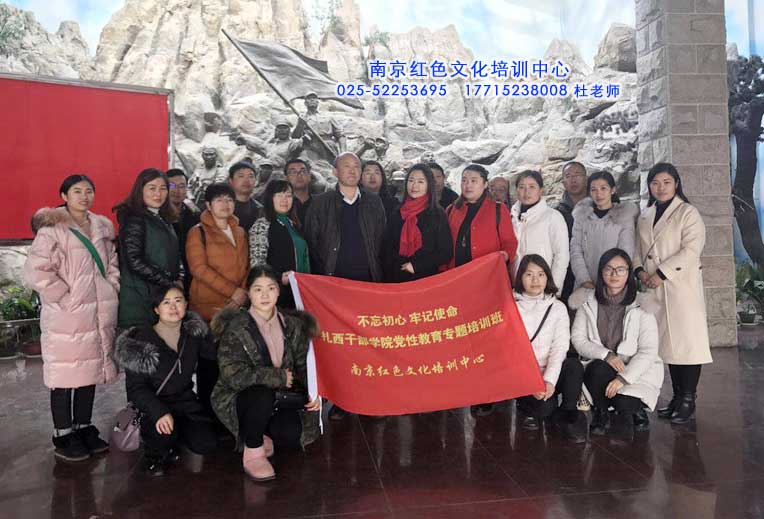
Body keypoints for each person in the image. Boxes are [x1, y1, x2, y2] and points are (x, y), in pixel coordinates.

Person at [23, 175, 119, 462]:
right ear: (64, 196)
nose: (84, 196)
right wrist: (65, 298)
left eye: (89, 191)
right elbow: (37, 271)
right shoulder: (52, 229)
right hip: (66, 317)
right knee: (64, 376)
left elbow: (112, 263)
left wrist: (111, 287)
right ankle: (63, 433)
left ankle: (83, 426)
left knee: (89, 372)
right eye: (77, 191)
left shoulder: (101, 227)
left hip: (96, 313)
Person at [211, 266, 321, 481]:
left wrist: (314, 393)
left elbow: (303, 366)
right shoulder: (236, 327)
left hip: (280, 397)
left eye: (270, 288)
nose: (264, 295)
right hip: (241, 396)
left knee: (290, 435)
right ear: (249, 293)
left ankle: (260, 430)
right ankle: (253, 451)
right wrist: (277, 377)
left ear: (278, 291)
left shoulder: (292, 325)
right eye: (258, 289)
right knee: (261, 394)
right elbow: (233, 376)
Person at [303, 152, 386, 420]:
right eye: (346, 166)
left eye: (356, 166)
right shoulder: (321, 203)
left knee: (369, 344)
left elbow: (381, 239)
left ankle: (370, 398)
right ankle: (343, 400)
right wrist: (323, 282)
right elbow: (312, 242)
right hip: (334, 288)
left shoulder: (373, 202)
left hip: (368, 284)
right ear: (334, 171)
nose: (352, 171)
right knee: (341, 345)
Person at [635, 163, 711, 424]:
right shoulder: (646, 215)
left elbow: (691, 250)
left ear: (676, 184)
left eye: (667, 182)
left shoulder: (688, 213)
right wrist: (639, 271)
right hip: (653, 289)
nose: (661, 188)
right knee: (668, 346)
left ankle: (688, 399)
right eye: (655, 183)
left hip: (681, 288)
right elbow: (638, 249)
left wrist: (662, 273)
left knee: (686, 345)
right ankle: (677, 397)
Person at [115, 287, 217, 476]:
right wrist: (159, 412)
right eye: (166, 302)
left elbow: (213, 357)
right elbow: (136, 389)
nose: (173, 307)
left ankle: (175, 436)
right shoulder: (140, 341)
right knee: (161, 437)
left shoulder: (193, 334)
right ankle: (155, 448)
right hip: (153, 405)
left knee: (207, 444)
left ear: (186, 304)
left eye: (178, 301)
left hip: (185, 402)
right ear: (156, 309)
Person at [444, 164, 517, 416]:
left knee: (486, 339)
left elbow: (509, 242)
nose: (468, 184)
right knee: (461, 338)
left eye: (474, 180)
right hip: (458, 286)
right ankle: (463, 385)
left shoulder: (498, 209)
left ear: (485, 184)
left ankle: (486, 392)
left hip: (487, 286)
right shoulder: (452, 210)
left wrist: (503, 256)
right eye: (464, 180)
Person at [571, 248, 663, 435]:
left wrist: (623, 379)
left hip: (635, 369)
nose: (614, 274)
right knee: (596, 369)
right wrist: (606, 355)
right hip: (602, 366)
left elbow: (648, 350)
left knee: (624, 404)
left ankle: (636, 410)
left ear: (628, 273)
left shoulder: (642, 304)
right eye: (609, 269)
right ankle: (601, 411)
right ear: (601, 272)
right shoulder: (586, 301)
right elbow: (578, 339)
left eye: (620, 269)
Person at [186, 182, 250, 423]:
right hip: (209, 309)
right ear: (208, 205)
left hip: (237, 308)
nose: (226, 204)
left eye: (229, 199)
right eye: (220, 200)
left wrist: (242, 293)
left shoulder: (240, 231)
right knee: (209, 364)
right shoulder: (198, 232)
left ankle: (232, 412)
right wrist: (233, 292)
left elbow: (247, 266)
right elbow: (199, 269)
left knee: (234, 361)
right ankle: (209, 415)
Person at [513, 255, 586, 442]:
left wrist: (549, 381)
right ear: (520, 277)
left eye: (541, 274)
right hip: (524, 375)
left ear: (548, 277)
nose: (535, 280)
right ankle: (527, 407)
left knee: (574, 366)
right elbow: (511, 352)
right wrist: (533, 382)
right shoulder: (511, 307)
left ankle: (567, 414)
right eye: (529, 274)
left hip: (550, 373)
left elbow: (559, 348)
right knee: (545, 408)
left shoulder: (558, 308)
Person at [114, 168, 180, 329]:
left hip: (160, 295)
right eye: (152, 188)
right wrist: (168, 282)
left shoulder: (163, 218)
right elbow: (134, 261)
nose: (158, 194)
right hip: (140, 298)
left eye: (163, 188)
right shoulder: (135, 219)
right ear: (140, 190)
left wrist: (178, 278)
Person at [381, 163, 452, 282]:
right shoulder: (398, 212)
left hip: (426, 279)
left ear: (429, 185)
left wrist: (416, 266)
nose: (414, 186)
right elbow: (387, 246)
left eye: (421, 182)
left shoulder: (437, 214)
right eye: (411, 180)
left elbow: (446, 252)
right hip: (397, 278)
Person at [570, 171, 638, 290]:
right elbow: (576, 250)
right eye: (593, 189)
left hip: (614, 283)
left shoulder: (624, 216)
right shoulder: (582, 216)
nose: (598, 194)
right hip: (585, 283)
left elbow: (626, 252)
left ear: (612, 190)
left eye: (603, 188)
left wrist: (613, 280)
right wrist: (584, 280)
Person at [250, 180, 311, 307]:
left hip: (300, 291)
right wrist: (277, 278)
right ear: (270, 198)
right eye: (279, 195)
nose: (284, 200)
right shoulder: (262, 224)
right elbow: (257, 263)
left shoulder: (294, 224)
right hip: (277, 294)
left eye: (288, 195)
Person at [510, 170, 569, 294]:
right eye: (522, 187)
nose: (527, 192)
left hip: (541, 286)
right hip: (514, 286)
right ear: (516, 191)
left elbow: (561, 255)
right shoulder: (510, 217)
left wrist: (554, 288)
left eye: (532, 187)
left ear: (541, 190)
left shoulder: (553, 217)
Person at [556, 161, 588, 302]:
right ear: (563, 182)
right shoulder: (557, 213)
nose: (573, 180)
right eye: (568, 176)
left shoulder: (600, 206)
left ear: (586, 178)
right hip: (567, 274)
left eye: (577, 175)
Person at [166, 168, 200, 294]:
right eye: (172, 186)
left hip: (191, 270)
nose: (177, 190)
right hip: (166, 273)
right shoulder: (158, 215)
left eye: (181, 186)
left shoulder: (194, 213)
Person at [229, 161, 263, 232]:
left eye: (251, 176)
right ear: (231, 180)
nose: (246, 180)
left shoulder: (259, 209)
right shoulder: (220, 206)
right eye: (241, 176)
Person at [285, 158, 313, 224]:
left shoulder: (321, 204)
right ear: (286, 178)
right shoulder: (280, 205)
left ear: (309, 176)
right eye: (293, 172)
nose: (299, 175)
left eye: (303, 171)